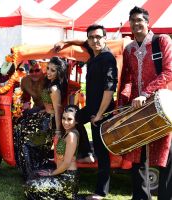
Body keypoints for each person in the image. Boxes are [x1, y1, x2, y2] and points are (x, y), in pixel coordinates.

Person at [119, 6, 172, 200]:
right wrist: (123, 103)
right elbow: (127, 79)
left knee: (165, 153)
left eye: (139, 20)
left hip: (161, 105)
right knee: (137, 152)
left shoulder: (162, 41)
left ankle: (166, 196)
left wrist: (146, 93)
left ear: (148, 22)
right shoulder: (128, 49)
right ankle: (140, 196)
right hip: (137, 108)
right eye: (132, 20)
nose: (136, 23)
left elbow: (169, 71)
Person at [74, 24, 118, 200]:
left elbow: (109, 89)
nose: (95, 40)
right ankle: (86, 153)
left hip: (103, 110)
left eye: (98, 37)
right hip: (92, 107)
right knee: (72, 119)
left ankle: (101, 192)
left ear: (105, 38)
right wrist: (64, 41)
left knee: (101, 149)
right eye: (91, 37)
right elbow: (83, 42)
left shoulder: (107, 58)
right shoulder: (94, 53)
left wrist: (99, 114)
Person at [24, 105, 81, 200]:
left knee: (30, 187)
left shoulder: (72, 135)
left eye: (69, 119)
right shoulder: (67, 133)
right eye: (63, 118)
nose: (65, 122)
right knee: (34, 175)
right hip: (61, 173)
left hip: (68, 179)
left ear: (76, 121)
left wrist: (51, 173)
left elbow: (66, 163)